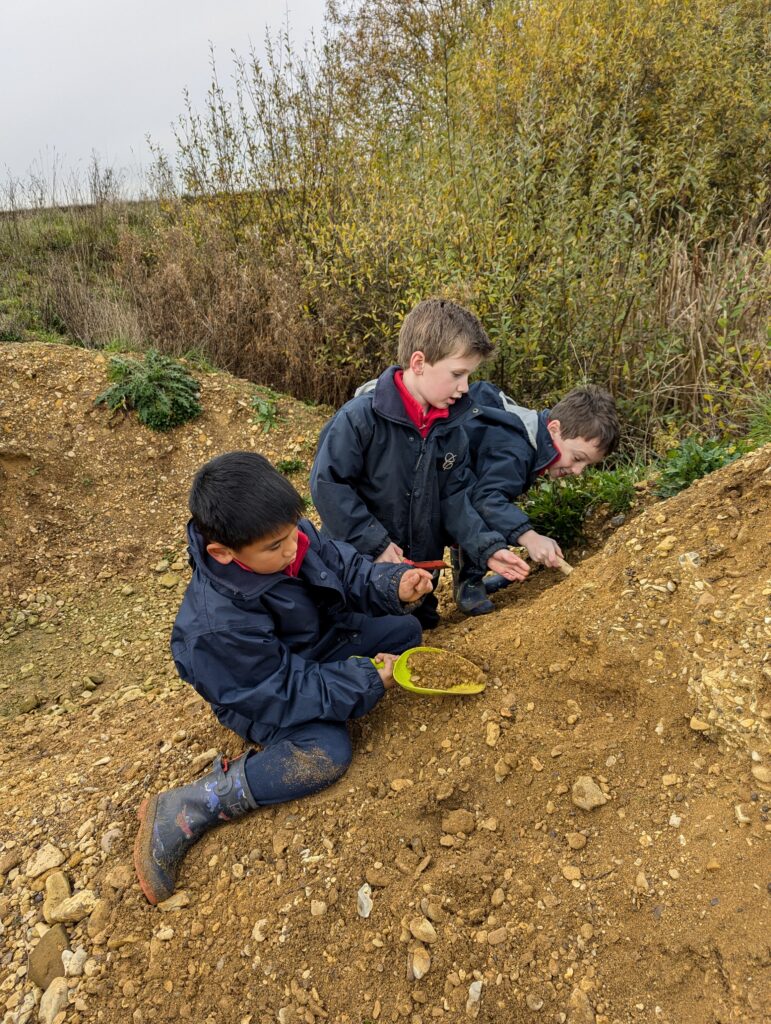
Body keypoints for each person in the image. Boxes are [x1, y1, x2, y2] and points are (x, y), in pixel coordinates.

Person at [134, 451, 433, 905]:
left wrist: (392, 585)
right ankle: (193, 805)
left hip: (314, 649)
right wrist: (365, 680)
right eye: (276, 547)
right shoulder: (216, 627)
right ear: (222, 552)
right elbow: (283, 690)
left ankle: (358, 668)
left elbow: (348, 570)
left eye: (293, 533)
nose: (293, 549)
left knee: (406, 630)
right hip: (261, 693)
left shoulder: (289, 537)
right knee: (326, 752)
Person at [309, 298, 529, 629]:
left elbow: (454, 498)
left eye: (468, 376)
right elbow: (328, 485)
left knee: (419, 629)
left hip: (419, 582)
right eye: (458, 374)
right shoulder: (359, 418)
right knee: (373, 634)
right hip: (358, 575)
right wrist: (376, 543)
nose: (465, 387)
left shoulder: (452, 429)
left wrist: (488, 549)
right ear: (419, 362)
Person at [454, 384, 620, 614]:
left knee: (502, 513)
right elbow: (486, 500)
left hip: (462, 486)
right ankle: (468, 581)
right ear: (554, 428)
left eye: (587, 464)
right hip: (434, 491)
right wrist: (530, 538)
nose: (578, 470)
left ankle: (472, 576)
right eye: (577, 458)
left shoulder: (534, 434)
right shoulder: (516, 450)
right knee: (494, 511)